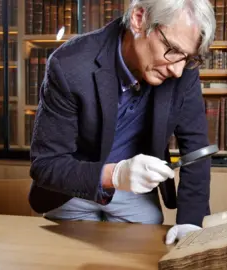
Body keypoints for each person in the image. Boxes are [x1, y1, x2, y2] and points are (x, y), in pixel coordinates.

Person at [28, 0, 216, 245]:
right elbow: (46, 164)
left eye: (188, 58)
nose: (178, 70)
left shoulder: (183, 71)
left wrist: (191, 221)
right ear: (140, 20)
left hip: (136, 194)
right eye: (172, 50)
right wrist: (115, 175)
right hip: (73, 190)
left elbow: (196, 149)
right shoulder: (69, 64)